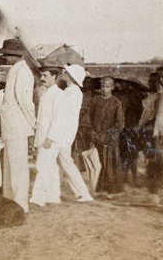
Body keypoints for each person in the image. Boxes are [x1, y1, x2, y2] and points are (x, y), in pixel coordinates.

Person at [41, 65, 94, 203]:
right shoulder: (69, 91)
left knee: (64, 163)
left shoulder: (72, 92)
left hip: (63, 133)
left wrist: (52, 135)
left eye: (66, 72)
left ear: (71, 76)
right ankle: (62, 193)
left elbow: (61, 115)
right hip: (63, 132)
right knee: (63, 163)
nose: (63, 73)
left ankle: (79, 193)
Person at [0, 39, 37, 213]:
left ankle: (21, 203)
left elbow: (25, 101)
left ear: (15, 55)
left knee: (18, 166)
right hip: (10, 126)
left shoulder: (23, 72)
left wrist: (32, 123)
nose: (5, 57)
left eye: (7, 53)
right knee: (11, 166)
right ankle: (11, 200)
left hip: (18, 125)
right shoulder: (15, 70)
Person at [29, 66, 64, 206]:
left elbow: (59, 118)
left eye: (45, 75)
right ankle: (53, 196)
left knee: (43, 165)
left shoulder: (58, 94)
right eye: (41, 76)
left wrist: (51, 137)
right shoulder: (47, 93)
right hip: (43, 135)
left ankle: (38, 197)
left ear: (54, 77)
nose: (42, 79)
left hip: (50, 137)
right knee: (50, 166)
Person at [89, 76, 125, 194]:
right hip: (97, 137)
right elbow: (90, 117)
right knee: (97, 162)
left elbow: (119, 123)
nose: (104, 89)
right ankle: (99, 187)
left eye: (107, 86)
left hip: (110, 139)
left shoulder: (116, 102)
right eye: (102, 86)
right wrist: (93, 132)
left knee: (110, 163)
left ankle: (112, 188)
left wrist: (109, 136)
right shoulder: (95, 100)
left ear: (112, 88)